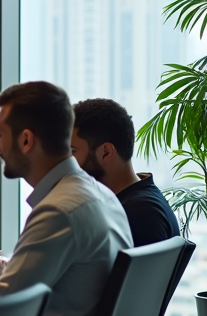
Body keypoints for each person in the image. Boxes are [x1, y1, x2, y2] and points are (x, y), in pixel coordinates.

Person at [0, 82, 132, 316]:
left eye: (0, 135)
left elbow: (0, 312)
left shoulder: (59, 210)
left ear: (26, 140)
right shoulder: (97, 193)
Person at [71, 97, 179, 246]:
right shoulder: (134, 201)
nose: (67, 161)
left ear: (106, 153)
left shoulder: (140, 215)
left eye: (72, 151)